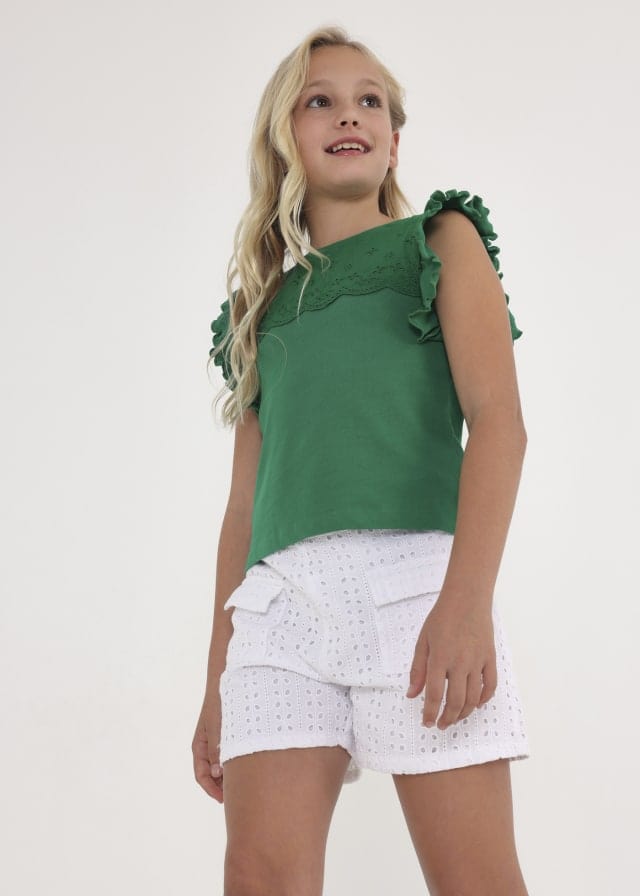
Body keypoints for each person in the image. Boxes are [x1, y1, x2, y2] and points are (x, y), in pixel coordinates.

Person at [192, 24, 531, 896]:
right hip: (277, 613)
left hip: (417, 591)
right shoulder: (259, 307)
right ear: (285, 138)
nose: (349, 115)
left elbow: (499, 423)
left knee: (476, 880)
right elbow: (243, 507)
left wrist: (468, 601)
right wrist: (217, 677)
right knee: (258, 877)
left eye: (369, 100)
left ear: (394, 138)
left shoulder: (439, 242)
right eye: (321, 101)